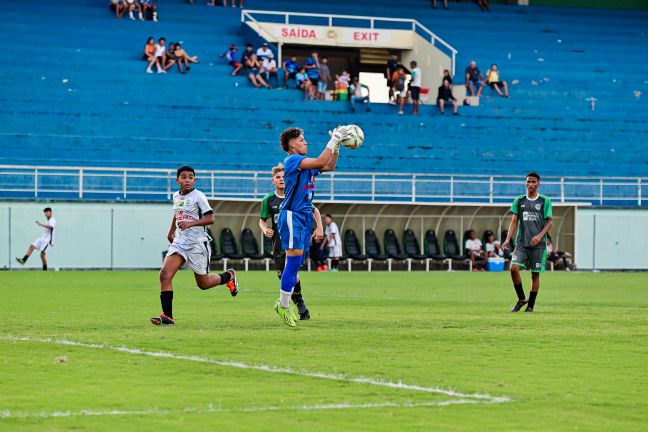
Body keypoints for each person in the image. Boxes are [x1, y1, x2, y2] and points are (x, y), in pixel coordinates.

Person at [274, 126, 351, 327]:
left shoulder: (304, 165)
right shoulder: (292, 161)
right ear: (292, 144)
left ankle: (283, 303)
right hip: (291, 215)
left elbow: (329, 166)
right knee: (292, 264)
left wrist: (338, 146)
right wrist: (334, 140)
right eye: (302, 139)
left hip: (303, 216)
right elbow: (319, 161)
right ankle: (282, 306)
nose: (305, 142)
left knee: (296, 263)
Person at [151, 166, 239, 326]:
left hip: (197, 244)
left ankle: (229, 276)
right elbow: (177, 213)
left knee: (203, 284)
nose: (187, 180)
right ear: (177, 180)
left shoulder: (199, 196)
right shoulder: (176, 196)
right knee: (164, 274)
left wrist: (190, 223)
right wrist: (170, 231)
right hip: (180, 243)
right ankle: (168, 317)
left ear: (194, 180)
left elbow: (210, 218)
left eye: (190, 177)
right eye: (183, 177)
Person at [259, 164, 324, 320]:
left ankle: (300, 306)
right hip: (279, 243)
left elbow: (314, 209)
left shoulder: (294, 196)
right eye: (278, 177)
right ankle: (295, 304)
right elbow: (262, 220)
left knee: (293, 270)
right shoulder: (268, 199)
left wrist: (319, 227)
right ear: (273, 181)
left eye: (283, 177)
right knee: (286, 275)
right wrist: (264, 228)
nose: (281, 180)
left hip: (296, 239)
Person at [502, 172, 553, 313]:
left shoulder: (545, 200)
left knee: (535, 275)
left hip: (538, 245)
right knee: (513, 269)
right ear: (525, 183)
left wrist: (539, 235)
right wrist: (507, 239)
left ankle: (530, 305)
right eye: (528, 181)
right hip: (521, 243)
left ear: (538, 184)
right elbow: (513, 222)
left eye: (533, 182)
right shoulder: (519, 200)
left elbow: (549, 223)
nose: (530, 184)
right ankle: (521, 299)